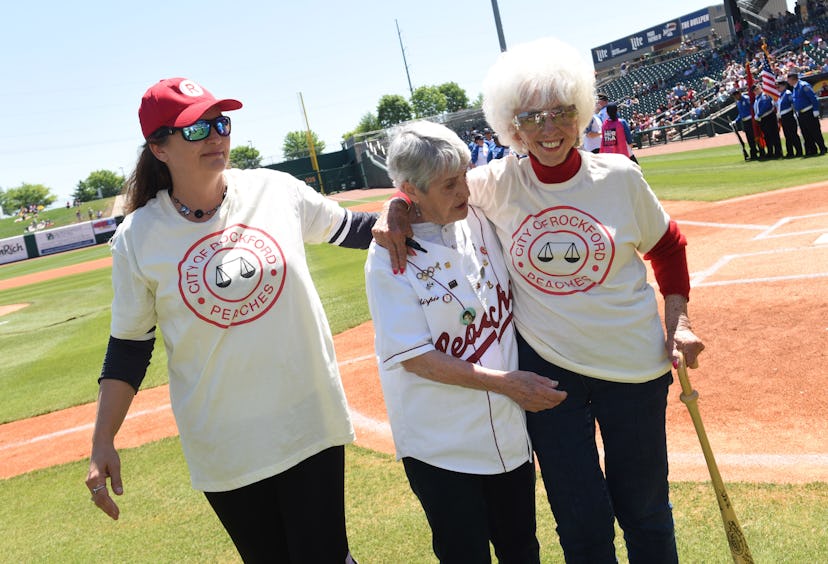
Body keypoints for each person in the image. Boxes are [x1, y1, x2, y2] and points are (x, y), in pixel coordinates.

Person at [374, 37, 705, 563]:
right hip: (551, 379)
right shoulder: (493, 184)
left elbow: (668, 246)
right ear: (512, 126)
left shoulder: (619, 176)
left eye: (562, 113)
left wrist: (679, 322)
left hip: (635, 370)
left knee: (645, 511)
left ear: (582, 114)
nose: (549, 130)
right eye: (532, 117)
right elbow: (427, 185)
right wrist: (393, 205)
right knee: (581, 522)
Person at [84, 77, 375, 563]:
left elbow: (355, 229)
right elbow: (130, 346)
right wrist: (101, 441)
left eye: (221, 123)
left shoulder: (273, 190)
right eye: (196, 129)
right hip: (224, 442)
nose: (217, 136)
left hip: (307, 419)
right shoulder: (138, 238)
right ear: (159, 147)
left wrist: (425, 208)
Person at [365, 120, 567, 563]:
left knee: (522, 549)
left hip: (507, 434)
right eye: (449, 184)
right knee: (464, 554)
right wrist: (508, 384)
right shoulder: (388, 255)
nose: (464, 190)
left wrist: (397, 203)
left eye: (464, 176)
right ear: (411, 190)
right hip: (442, 445)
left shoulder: (476, 215)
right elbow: (416, 358)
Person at [787, 70, 827, 157]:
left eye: (788, 79)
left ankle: (822, 148)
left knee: (815, 131)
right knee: (805, 133)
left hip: (808, 112)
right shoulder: (794, 88)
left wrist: (816, 109)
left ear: (793, 79)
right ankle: (812, 150)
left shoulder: (803, 86)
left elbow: (813, 98)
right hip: (801, 114)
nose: (788, 82)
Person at [730, 87, 764, 160]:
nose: (736, 96)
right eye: (734, 95)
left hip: (751, 120)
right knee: (750, 139)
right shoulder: (738, 102)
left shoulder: (746, 99)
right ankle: (754, 153)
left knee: (756, 136)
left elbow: (753, 108)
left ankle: (761, 151)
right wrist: (736, 120)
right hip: (745, 122)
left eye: (737, 94)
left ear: (739, 93)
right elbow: (741, 113)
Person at [752, 83, 782, 160]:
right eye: (754, 90)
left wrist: (758, 115)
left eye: (757, 89)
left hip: (769, 117)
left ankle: (778, 152)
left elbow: (766, 106)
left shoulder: (765, 95)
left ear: (760, 88)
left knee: (774, 135)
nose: (756, 91)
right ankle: (770, 152)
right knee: (767, 137)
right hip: (763, 120)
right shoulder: (757, 98)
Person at [776, 77, 803, 158]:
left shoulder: (788, 93)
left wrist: (795, 113)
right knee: (787, 135)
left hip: (789, 116)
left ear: (784, 85)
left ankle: (799, 151)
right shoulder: (781, 95)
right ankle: (790, 152)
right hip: (783, 117)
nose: (777, 88)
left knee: (793, 134)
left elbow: (793, 103)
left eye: (779, 87)